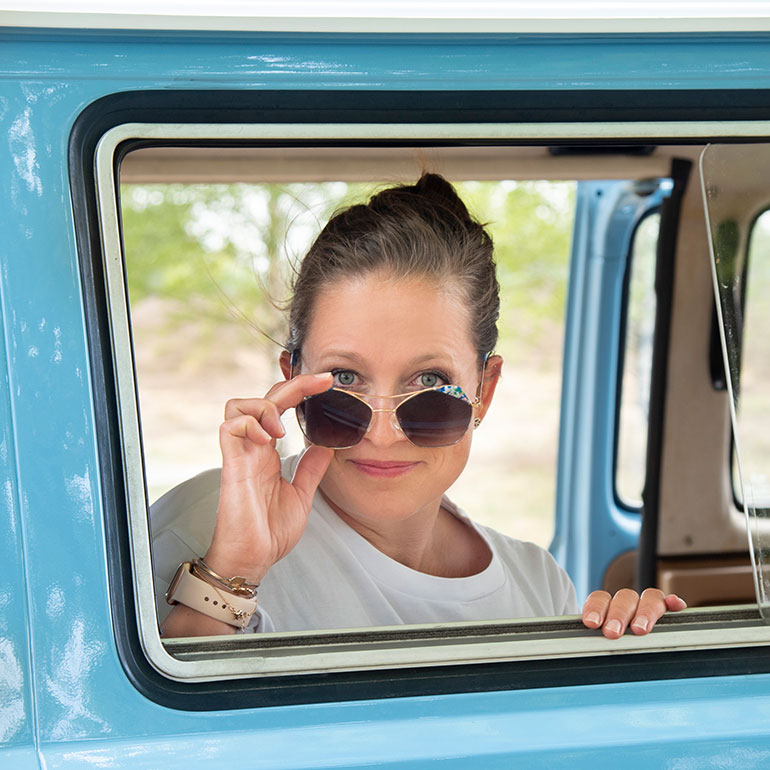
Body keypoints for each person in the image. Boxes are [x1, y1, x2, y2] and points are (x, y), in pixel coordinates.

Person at [153, 173, 686, 639]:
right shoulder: (197, 537)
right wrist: (232, 570)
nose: (382, 434)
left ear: (486, 390)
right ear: (292, 383)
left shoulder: (538, 584)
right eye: (344, 379)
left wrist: (631, 656)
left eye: (429, 381)